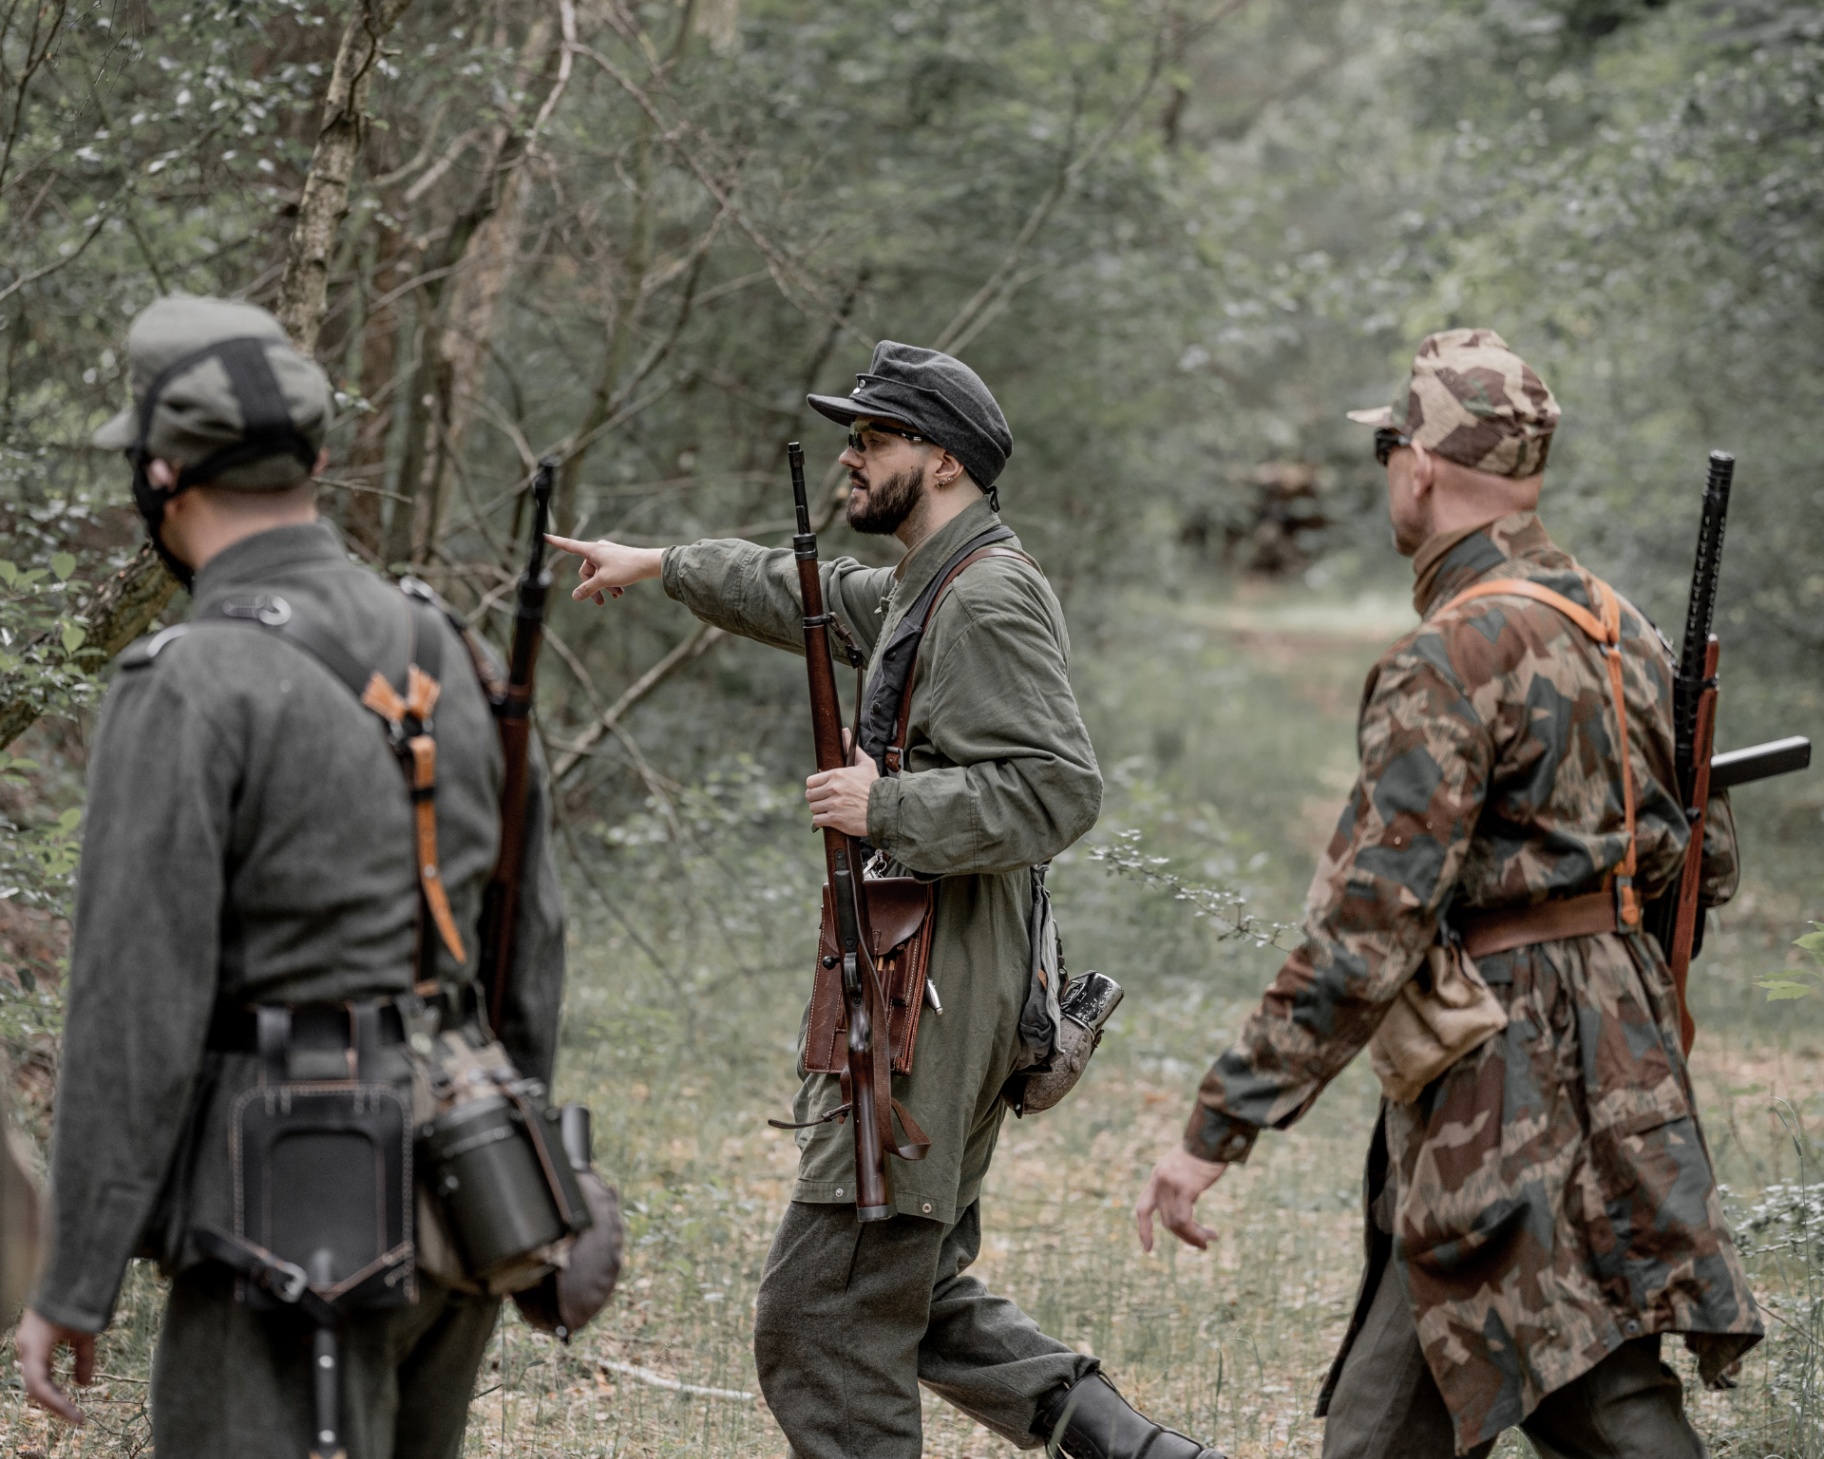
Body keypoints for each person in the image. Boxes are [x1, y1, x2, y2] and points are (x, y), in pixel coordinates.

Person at [550, 341, 1221, 1459]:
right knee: (906, 1275)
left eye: (873, 437)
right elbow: (802, 592)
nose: (850, 456)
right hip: (926, 968)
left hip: (945, 979)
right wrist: (662, 563)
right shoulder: (931, 578)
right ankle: (1128, 1448)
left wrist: (888, 804)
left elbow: (1057, 790)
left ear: (943, 461)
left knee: (820, 1312)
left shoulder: (991, 595)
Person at [1135, 328, 1762, 1459]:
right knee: (1565, 1369)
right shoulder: (1625, 630)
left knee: (1590, 1383)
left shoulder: (1452, 652)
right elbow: (1702, 864)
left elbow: (1366, 928)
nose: (1388, 474)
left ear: (1419, 464)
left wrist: (1218, 1125)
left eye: (1387, 451)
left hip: (1496, 1080)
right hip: (1624, 1050)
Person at [16, 295, 566, 1457]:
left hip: (279, 1219)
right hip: (459, 1199)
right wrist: (509, 1177)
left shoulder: (185, 680)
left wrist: (74, 1276)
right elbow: (528, 948)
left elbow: (131, 1006)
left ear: (160, 475)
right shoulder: (450, 648)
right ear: (315, 460)